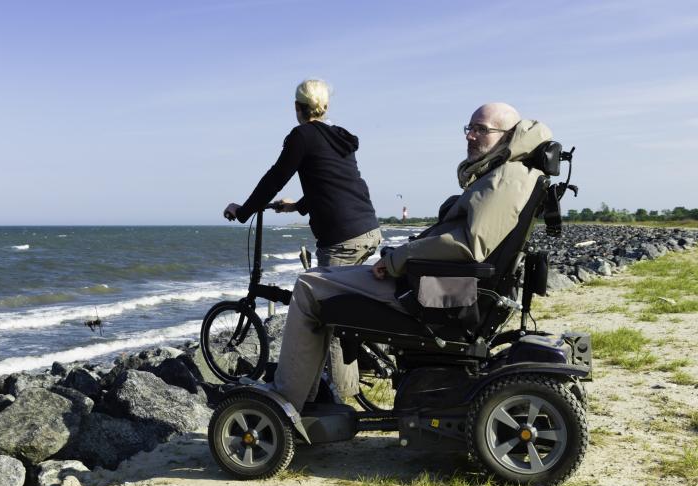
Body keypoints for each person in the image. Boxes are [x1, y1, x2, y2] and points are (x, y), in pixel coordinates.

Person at [271, 103, 554, 411]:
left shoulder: (505, 178)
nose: (471, 137)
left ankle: (285, 401)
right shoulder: (511, 172)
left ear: (509, 134)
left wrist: (399, 258)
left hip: (434, 293)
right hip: (445, 286)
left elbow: (471, 245)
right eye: (469, 129)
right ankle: (309, 395)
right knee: (320, 281)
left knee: (309, 285)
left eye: (482, 130)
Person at [223, 79, 381, 266]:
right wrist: (297, 206)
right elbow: (333, 185)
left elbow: (275, 179)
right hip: (369, 230)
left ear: (296, 106)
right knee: (343, 293)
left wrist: (242, 212)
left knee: (318, 295)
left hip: (342, 239)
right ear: (326, 106)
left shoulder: (302, 136)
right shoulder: (339, 137)